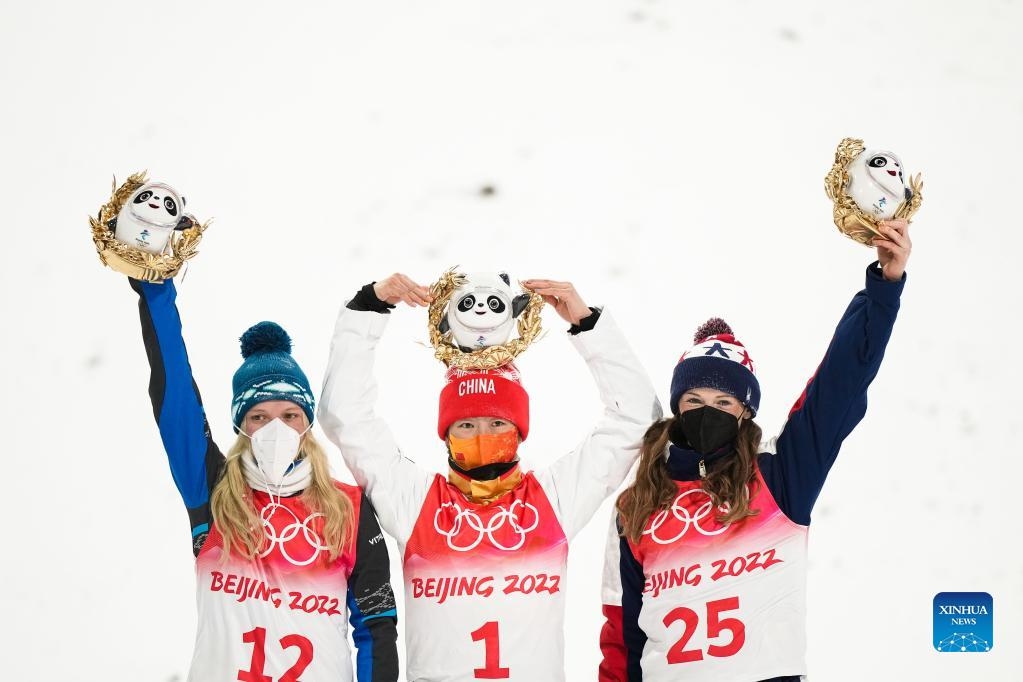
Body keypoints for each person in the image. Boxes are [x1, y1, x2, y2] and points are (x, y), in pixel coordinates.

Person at [599, 220, 913, 681]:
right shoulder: (636, 505)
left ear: (745, 412)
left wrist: (883, 289)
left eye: (724, 402)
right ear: (676, 408)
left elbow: (840, 384)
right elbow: (621, 636)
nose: (709, 412)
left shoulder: (780, 475)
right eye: (695, 401)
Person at [318, 275, 662, 681]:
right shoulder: (415, 502)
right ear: (445, 433)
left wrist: (587, 326)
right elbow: (344, 415)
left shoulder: (552, 501)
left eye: (498, 422)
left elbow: (638, 417)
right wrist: (369, 307)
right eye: (465, 425)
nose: (482, 436)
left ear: (519, 431)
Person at [128, 276, 398, 682]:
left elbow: (376, 626)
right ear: (241, 425)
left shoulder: (349, 508)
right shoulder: (212, 489)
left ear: (307, 423)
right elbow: (176, 395)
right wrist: (155, 288)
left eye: (290, 416)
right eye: (259, 417)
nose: (277, 430)